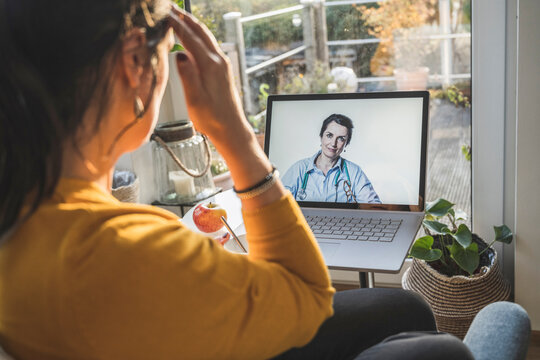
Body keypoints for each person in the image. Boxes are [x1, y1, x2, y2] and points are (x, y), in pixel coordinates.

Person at [0, 1, 475, 359]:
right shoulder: (126, 251)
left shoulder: (23, 220)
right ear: (132, 66)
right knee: (449, 351)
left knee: (407, 310)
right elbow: (309, 300)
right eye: (168, 53)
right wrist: (238, 139)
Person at [282, 114, 381, 203]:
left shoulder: (354, 173)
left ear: (346, 144)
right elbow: (279, 205)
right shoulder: (299, 169)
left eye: (341, 139)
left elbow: (374, 208)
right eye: (329, 135)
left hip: (343, 222)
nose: (333, 143)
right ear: (321, 136)